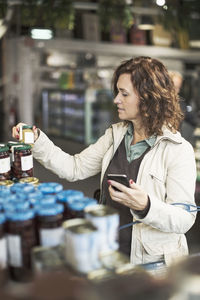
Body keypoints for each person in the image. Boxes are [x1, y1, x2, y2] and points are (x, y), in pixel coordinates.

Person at [12, 56, 197, 269]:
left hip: (152, 266)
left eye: (124, 94)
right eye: (117, 92)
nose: (116, 100)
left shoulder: (177, 150)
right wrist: (38, 141)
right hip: (110, 253)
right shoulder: (115, 136)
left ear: (148, 98)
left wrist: (147, 206)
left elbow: (184, 218)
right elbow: (74, 168)